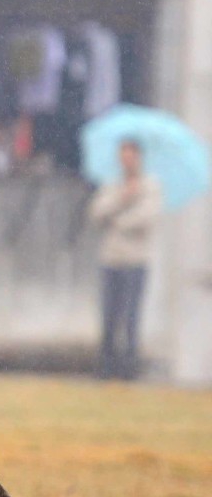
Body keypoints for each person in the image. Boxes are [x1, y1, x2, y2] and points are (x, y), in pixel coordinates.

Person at [88, 140, 162, 381]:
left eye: (131, 155)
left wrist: (119, 220)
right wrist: (123, 197)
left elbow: (146, 218)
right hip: (111, 258)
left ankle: (130, 371)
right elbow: (97, 212)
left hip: (135, 261)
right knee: (109, 317)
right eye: (123, 155)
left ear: (138, 157)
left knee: (131, 318)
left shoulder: (150, 186)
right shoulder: (113, 185)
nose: (126, 159)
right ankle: (106, 369)